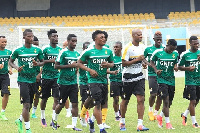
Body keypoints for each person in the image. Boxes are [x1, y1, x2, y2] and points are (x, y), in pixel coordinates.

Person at [78, 30, 114, 133]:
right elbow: (79, 63)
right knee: (97, 104)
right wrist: (90, 70)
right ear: (95, 39)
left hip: (104, 80)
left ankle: (91, 120)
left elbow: (112, 63)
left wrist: (108, 65)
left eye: (104, 37)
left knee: (102, 103)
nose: (104, 39)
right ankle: (101, 128)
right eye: (101, 37)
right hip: (93, 81)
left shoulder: (108, 51)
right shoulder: (88, 51)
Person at [9, 29, 44, 133]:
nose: (31, 38)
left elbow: (42, 62)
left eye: (32, 36)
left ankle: (19, 120)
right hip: (23, 80)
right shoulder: (18, 50)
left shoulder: (37, 50)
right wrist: (16, 67)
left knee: (28, 104)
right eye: (29, 36)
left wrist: (37, 65)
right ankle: (28, 129)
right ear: (24, 37)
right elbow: (10, 61)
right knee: (27, 105)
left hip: (33, 80)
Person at [120, 29, 149, 131]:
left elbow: (143, 59)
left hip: (139, 76)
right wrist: (137, 60)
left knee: (141, 99)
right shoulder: (127, 48)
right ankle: (122, 122)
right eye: (138, 35)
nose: (141, 36)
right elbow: (123, 63)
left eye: (141, 35)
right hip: (128, 77)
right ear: (133, 36)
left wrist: (143, 63)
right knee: (125, 100)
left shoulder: (143, 47)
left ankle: (140, 125)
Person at [52, 34, 82, 131]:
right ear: (68, 41)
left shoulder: (77, 54)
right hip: (63, 82)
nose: (74, 43)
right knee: (61, 103)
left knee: (75, 103)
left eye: (75, 41)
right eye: (72, 41)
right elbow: (56, 66)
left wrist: (76, 68)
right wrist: (71, 66)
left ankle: (74, 125)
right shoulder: (63, 52)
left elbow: (77, 66)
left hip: (73, 82)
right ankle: (54, 120)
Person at [150, 39, 178, 129]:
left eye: (173, 49)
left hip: (171, 80)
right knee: (165, 101)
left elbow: (175, 64)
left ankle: (160, 116)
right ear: (167, 45)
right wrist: (155, 70)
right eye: (170, 49)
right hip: (161, 80)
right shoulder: (158, 52)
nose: (171, 51)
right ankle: (168, 123)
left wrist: (175, 67)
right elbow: (151, 61)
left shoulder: (175, 53)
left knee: (169, 102)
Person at [40, 29, 62, 127]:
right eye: (53, 36)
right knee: (44, 98)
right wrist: (50, 61)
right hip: (46, 77)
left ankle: (53, 120)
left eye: (57, 36)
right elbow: (40, 61)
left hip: (56, 77)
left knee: (56, 99)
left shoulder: (60, 50)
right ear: (49, 37)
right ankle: (42, 117)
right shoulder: (45, 49)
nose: (56, 38)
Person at [178, 36, 200, 128]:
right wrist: (188, 68)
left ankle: (185, 114)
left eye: (198, 43)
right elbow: (179, 67)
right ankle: (194, 122)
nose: (197, 45)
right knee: (193, 100)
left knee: (197, 100)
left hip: (199, 80)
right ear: (190, 44)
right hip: (190, 81)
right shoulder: (185, 54)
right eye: (195, 44)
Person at [144, 31, 164, 120]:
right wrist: (147, 64)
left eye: (160, 39)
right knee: (153, 94)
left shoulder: (164, 48)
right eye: (157, 39)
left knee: (160, 94)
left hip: (162, 75)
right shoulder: (148, 49)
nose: (159, 41)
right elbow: (142, 58)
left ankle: (156, 113)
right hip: (152, 74)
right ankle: (150, 110)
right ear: (154, 39)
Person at [107, 41, 122, 121]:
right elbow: (105, 70)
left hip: (123, 80)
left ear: (121, 48)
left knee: (124, 98)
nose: (115, 49)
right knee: (116, 98)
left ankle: (121, 111)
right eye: (114, 47)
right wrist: (112, 72)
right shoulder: (111, 58)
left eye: (117, 47)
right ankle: (116, 115)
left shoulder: (124, 58)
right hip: (114, 80)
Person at [0, 36, 12, 121]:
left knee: (6, 93)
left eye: (5, 42)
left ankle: (2, 113)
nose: (4, 43)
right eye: (2, 42)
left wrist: (10, 69)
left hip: (5, 76)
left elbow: (11, 62)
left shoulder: (8, 52)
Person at [79, 41, 90, 125]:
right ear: (83, 49)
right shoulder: (81, 58)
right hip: (83, 81)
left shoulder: (92, 58)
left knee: (92, 100)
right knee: (84, 100)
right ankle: (82, 117)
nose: (87, 49)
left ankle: (88, 116)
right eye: (86, 48)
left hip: (91, 82)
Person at [31, 36, 41, 119]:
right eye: (34, 44)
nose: (36, 46)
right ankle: (27, 110)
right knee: (28, 95)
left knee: (37, 94)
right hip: (27, 77)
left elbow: (44, 64)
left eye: (37, 44)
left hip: (38, 76)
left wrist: (39, 74)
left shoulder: (39, 52)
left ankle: (33, 112)